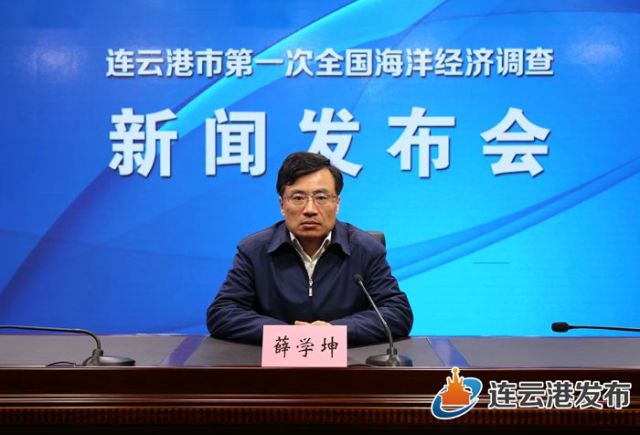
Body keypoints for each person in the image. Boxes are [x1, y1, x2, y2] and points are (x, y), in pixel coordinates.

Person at [206, 152, 413, 346]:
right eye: (298, 198)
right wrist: (288, 335)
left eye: (321, 198)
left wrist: (335, 331)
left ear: (337, 203)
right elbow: (222, 313)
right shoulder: (255, 250)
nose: (310, 209)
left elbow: (397, 313)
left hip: (348, 365)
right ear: (282, 204)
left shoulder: (366, 249)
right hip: (275, 365)